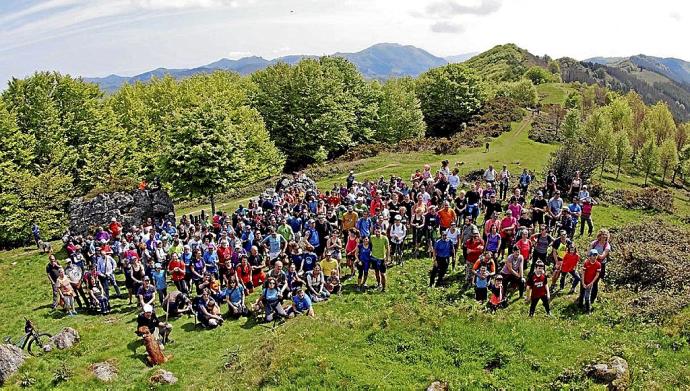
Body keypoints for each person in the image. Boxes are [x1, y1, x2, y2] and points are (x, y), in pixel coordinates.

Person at [588, 229, 611, 304]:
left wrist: (594, 254)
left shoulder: (607, 246)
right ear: (599, 236)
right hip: (591, 263)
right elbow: (588, 252)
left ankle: (592, 299)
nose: (604, 237)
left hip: (600, 265)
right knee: (588, 279)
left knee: (595, 282)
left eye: (605, 235)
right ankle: (586, 295)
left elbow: (602, 256)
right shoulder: (595, 243)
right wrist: (590, 254)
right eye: (602, 235)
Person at [578, 249, 602, 314]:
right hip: (583, 280)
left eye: (596, 255)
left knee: (587, 296)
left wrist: (591, 283)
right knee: (582, 293)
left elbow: (597, 275)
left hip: (590, 282)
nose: (595, 256)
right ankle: (580, 305)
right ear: (590, 256)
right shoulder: (586, 262)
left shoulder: (598, 264)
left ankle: (588, 310)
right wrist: (582, 283)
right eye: (593, 255)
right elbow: (583, 273)